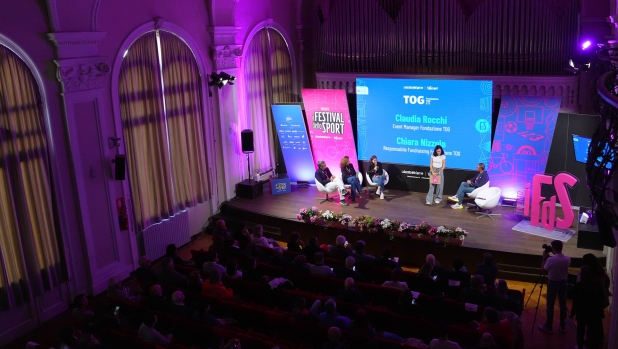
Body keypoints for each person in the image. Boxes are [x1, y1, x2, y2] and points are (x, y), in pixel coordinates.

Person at [538, 240, 571, 334]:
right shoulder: (568, 259)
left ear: (554, 248)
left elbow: (543, 270)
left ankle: (549, 326)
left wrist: (544, 258)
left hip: (552, 283)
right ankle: (563, 326)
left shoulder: (550, 260)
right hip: (563, 283)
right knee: (563, 305)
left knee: (550, 305)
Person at [570, 265, 606, 349]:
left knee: (580, 330)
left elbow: (575, 301)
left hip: (581, 312)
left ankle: (580, 346)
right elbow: (601, 297)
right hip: (594, 311)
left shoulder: (578, 286)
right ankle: (591, 344)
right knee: (592, 329)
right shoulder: (597, 284)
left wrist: (572, 313)